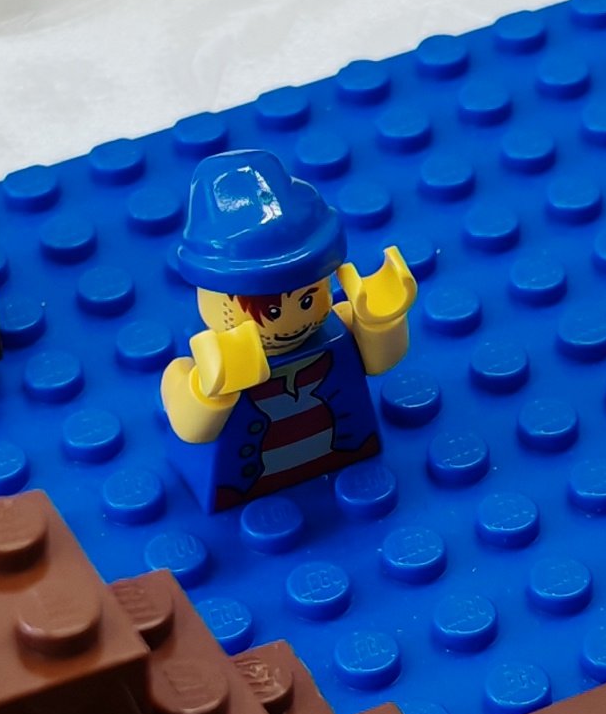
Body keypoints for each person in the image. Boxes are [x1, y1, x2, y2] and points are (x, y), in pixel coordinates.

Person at [161, 147, 418, 508]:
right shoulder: (201, 366)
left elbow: (379, 362)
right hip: (246, 489)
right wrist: (210, 391)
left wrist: (382, 322)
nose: (291, 321)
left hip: (347, 462)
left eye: (308, 300)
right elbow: (190, 429)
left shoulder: (340, 326)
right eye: (270, 310)